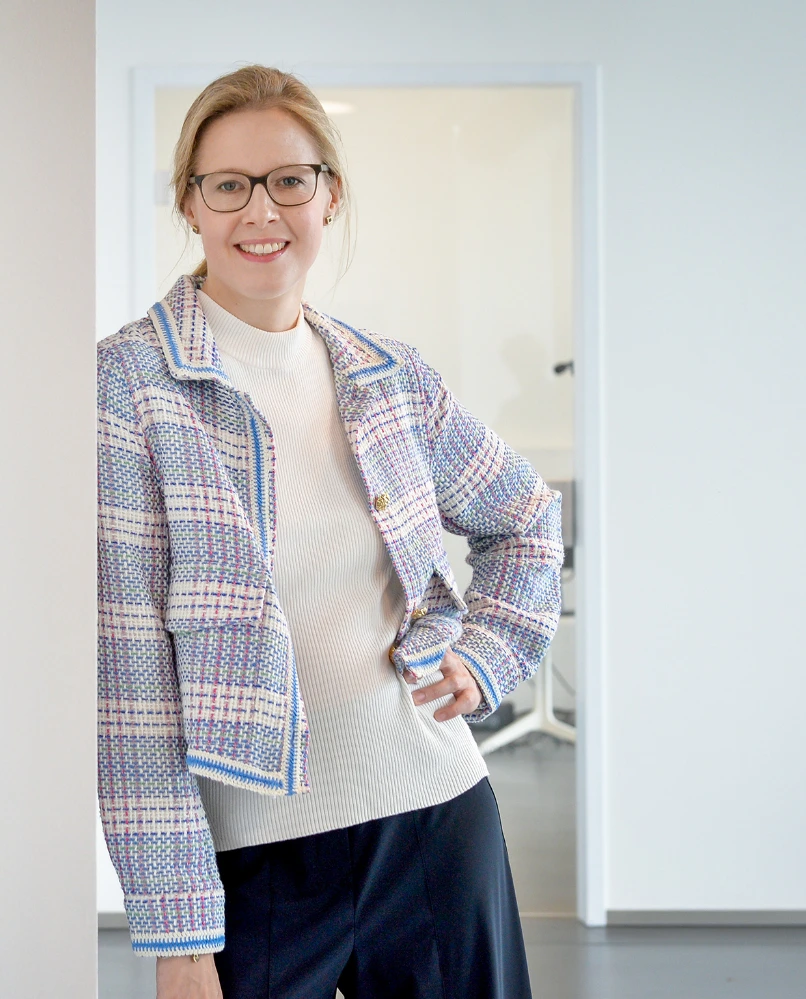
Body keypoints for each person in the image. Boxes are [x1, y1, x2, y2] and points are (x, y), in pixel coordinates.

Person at [97, 64, 563, 999]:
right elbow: (131, 684)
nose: (258, 211)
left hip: (435, 818)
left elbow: (526, 516)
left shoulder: (388, 377)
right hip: (255, 865)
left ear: (329, 194)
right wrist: (179, 939)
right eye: (226, 185)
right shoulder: (129, 389)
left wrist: (487, 654)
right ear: (190, 205)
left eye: (288, 180)